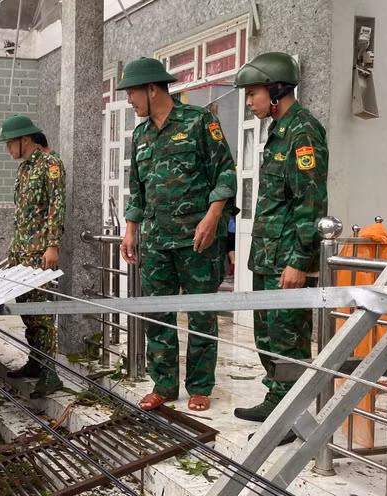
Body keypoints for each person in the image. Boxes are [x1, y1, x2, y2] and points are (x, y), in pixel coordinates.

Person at [117, 57, 237, 412]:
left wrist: (213, 218)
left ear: (153, 88)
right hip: (155, 242)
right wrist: (130, 230)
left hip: (195, 239)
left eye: (133, 92)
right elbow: (136, 189)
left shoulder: (200, 121)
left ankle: (200, 385)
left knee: (201, 313)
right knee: (158, 312)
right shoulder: (140, 135)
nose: (129, 100)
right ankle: (164, 383)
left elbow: (225, 174)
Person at [232, 53, 328, 436]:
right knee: (268, 336)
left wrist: (300, 261)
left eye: (252, 93)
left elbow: (310, 201)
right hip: (267, 258)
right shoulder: (278, 129)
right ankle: (277, 400)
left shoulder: (303, 131)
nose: (248, 101)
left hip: (288, 259)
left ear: (276, 90)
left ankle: (292, 418)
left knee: (289, 341)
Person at [0, 115, 66, 399]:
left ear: (26, 140)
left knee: (41, 314)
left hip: (39, 253)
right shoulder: (25, 168)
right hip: (21, 253)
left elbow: (56, 206)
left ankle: (51, 374)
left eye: (10, 142)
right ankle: (36, 363)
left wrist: (52, 246)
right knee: (26, 311)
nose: (7, 148)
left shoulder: (51, 165)